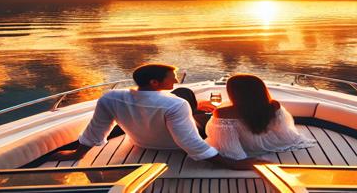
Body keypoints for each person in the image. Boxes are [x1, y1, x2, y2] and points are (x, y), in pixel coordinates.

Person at [51, 63, 262, 170]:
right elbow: (191, 144)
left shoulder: (111, 97)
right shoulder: (174, 104)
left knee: (185, 93)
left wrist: (77, 153)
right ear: (154, 82)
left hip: (141, 141)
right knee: (216, 116)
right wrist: (234, 163)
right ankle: (201, 113)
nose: (177, 79)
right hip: (173, 145)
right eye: (172, 77)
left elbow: (96, 129)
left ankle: (198, 111)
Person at [205, 74, 316, 160]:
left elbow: (230, 146)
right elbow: (282, 130)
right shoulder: (274, 105)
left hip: (244, 147)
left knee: (200, 119)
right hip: (270, 142)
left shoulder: (222, 113)